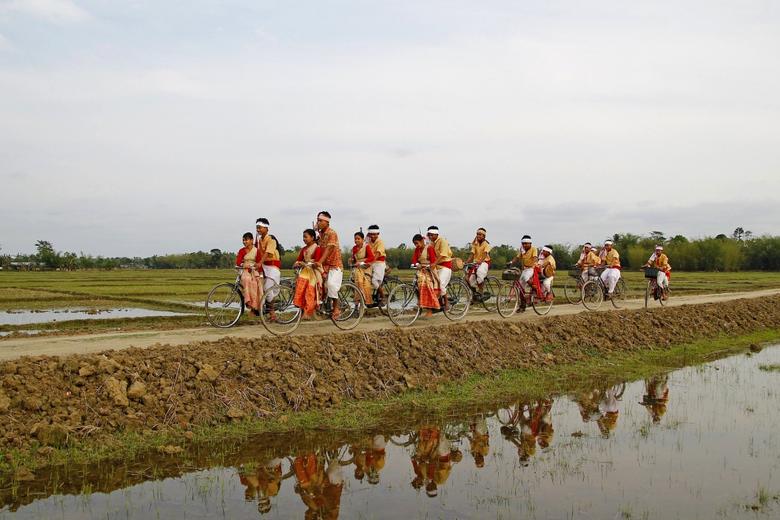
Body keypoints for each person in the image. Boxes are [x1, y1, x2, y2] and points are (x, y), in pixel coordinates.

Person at [316, 211, 343, 319]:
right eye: (317, 220)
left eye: (320, 221)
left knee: (331, 285)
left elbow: (329, 249)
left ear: (327, 222)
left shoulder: (332, 233)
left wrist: (319, 262)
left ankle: (336, 307)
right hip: (325, 265)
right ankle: (322, 305)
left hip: (334, 265)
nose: (318, 222)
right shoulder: (321, 234)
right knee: (318, 284)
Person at [293, 229, 323, 318]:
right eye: (303, 237)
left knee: (310, 290)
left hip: (314, 271)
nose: (304, 239)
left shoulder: (317, 248)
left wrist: (304, 263)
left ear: (312, 237)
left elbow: (317, 263)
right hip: (305, 272)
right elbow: (299, 259)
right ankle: (303, 310)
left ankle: (309, 312)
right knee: (300, 287)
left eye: (306, 237)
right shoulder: (303, 249)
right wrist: (297, 263)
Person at [255, 218, 281, 318]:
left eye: (260, 228)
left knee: (267, 289)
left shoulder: (271, 240)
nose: (258, 230)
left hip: (272, 267)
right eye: (257, 228)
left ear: (266, 228)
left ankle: (272, 312)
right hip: (264, 266)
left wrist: (259, 263)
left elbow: (268, 253)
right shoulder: (259, 240)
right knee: (259, 287)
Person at [411, 233, 441, 316]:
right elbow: (414, 260)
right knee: (416, 283)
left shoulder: (429, 248)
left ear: (422, 241)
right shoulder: (417, 250)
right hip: (421, 270)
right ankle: (420, 303)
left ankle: (430, 310)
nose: (416, 245)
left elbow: (433, 261)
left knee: (427, 284)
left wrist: (428, 266)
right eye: (414, 244)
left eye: (417, 243)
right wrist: (417, 265)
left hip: (430, 270)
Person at [426, 226, 453, 310]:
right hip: (437, 267)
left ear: (436, 234)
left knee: (440, 284)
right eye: (429, 235)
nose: (430, 237)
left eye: (431, 235)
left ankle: (447, 303)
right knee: (431, 284)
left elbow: (443, 255)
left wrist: (434, 263)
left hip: (445, 266)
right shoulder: (431, 243)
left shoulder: (442, 241)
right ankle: (438, 303)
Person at [235, 232, 263, 315]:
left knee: (256, 283)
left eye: (246, 240)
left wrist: (261, 275)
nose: (244, 242)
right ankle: (248, 302)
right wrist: (244, 265)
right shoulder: (242, 251)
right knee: (246, 279)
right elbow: (238, 262)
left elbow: (259, 263)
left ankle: (254, 308)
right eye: (243, 240)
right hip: (244, 270)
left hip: (254, 270)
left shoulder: (256, 251)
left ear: (252, 240)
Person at [465, 228, 491, 301]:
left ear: (484, 236)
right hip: (476, 263)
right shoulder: (475, 244)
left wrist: (480, 261)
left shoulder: (486, 244)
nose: (478, 236)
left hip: (485, 262)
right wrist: (466, 262)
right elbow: (472, 255)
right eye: (477, 234)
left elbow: (485, 254)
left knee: (480, 273)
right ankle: (475, 294)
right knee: (468, 279)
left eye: (480, 234)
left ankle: (481, 291)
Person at [351, 231, 375, 306]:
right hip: (358, 268)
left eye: (358, 239)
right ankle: (357, 305)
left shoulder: (366, 247)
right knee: (357, 283)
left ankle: (366, 301)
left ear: (362, 239)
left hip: (366, 267)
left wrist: (362, 261)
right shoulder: (354, 248)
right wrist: (352, 260)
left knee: (366, 284)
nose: (356, 240)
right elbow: (354, 259)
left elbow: (371, 257)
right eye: (355, 239)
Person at [366, 225, 388, 305]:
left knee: (374, 281)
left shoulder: (380, 242)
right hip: (371, 263)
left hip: (379, 263)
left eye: (375, 234)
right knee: (364, 278)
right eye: (371, 234)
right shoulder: (367, 242)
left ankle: (383, 297)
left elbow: (378, 254)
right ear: (369, 234)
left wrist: (371, 262)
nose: (373, 236)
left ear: (378, 234)